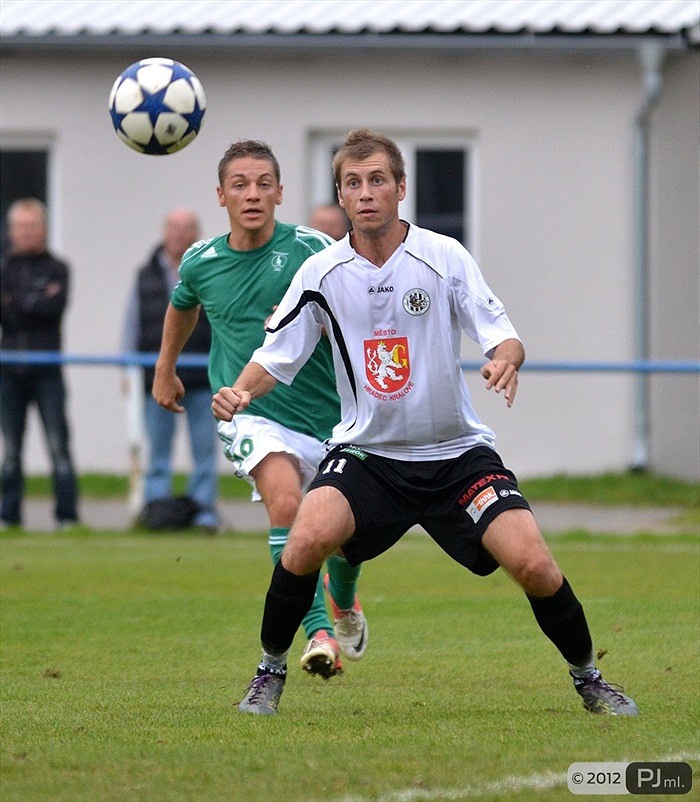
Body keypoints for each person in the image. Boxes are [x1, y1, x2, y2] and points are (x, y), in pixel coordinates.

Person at [214, 128, 639, 718]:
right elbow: (275, 357)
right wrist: (239, 390)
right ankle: (269, 671)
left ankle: (589, 677)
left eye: (378, 181)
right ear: (341, 195)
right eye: (354, 183)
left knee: (535, 566)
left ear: (400, 188)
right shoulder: (320, 274)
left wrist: (503, 360)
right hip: (369, 458)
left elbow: (504, 336)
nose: (366, 194)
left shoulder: (444, 257)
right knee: (305, 538)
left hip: (456, 457)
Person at [152, 140, 367, 676]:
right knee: (287, 505)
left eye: (264, 184)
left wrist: (307, 312)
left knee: (344, 540)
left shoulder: (314, 251)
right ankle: (318, 633)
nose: (253, 194)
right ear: (221, 195)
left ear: (279, 192)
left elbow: (362, 306)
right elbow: (182, 307)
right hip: (248, 409)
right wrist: (165, 370)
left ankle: (343, 598)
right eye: (241, 185)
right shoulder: (201, 260)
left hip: (328, 417)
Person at [122, 209, 219, 531]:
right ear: (165, 232)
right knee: (158, 452)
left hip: (203, 378)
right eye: (174, 228)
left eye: (187, 228)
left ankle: (203, 513)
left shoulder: (211, 271)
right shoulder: (145, 274)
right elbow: (132, 323)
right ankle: (156, 510)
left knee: (205, 452)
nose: (180, 234)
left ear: (196, 232)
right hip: (157, 377)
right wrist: (128, 370)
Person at [0, 198, 80, 529]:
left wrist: (17, 304)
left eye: (32, 226)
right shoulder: (3, 268)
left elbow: (51, 310)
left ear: (43, 229)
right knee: (12, 449)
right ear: (10, 231)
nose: (26, 232)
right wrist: (33, 300)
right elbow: (14, 312)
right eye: (20, 226)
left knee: (58, 445)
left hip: (48, 371)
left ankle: (67, 517)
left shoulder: (58, 267)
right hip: (9, 372)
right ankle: (9, 516)